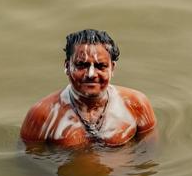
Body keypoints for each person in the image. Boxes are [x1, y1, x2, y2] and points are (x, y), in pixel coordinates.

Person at [20, 29, 156, 147]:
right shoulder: (42, 114)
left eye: (100, 66)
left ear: (112, 68)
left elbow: (149, 154)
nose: (91, 74)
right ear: (67, 67)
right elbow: (30, 164)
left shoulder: (137, 105)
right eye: (81, 65)